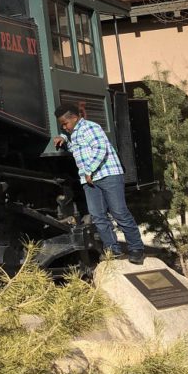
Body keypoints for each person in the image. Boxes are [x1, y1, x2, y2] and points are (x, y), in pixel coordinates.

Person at [53, 104, 145, 264]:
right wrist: (64, 137)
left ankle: (136, 249)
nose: (64, 127)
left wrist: (89, 170)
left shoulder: (90, 127)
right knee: (98, 216)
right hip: (89, 180)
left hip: (108, 175)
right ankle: (113, 250)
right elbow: (75, 143)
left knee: (119, 213)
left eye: (65, 123)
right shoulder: (73, 133)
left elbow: (101, 148)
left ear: (73, 118)